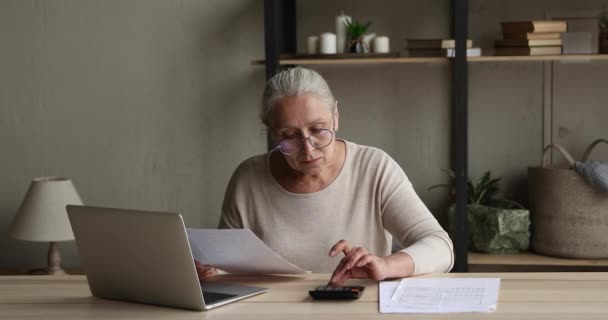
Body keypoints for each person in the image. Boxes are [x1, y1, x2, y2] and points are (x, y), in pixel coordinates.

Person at [197, 67, 453, 285]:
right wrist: (207, 271)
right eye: (289, 136)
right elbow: (226, 267)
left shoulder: (374, 168)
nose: (308, 149)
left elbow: (441, 247)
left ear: (336, 116)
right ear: (272, 132)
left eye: (319, 130)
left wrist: (386, 265)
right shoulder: (248, 179)